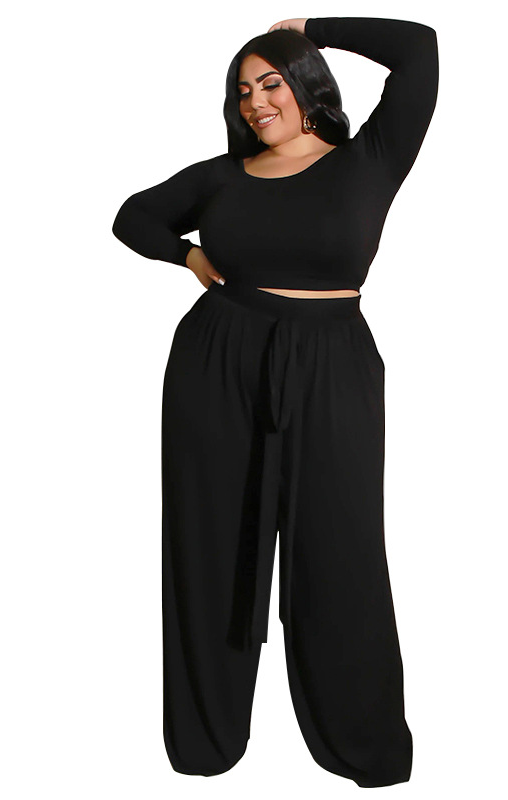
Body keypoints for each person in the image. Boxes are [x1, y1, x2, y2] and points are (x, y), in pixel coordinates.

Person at [112, 16, 438, 787]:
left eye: (271, 82)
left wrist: (312, 26)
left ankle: (361, 743)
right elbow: (132, 216)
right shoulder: (222, 177)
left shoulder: (371, 158)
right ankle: (207, 742)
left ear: (308, 85)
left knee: (341, 548)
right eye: (242, 91)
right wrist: (189, 256)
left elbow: (419, 48)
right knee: (212, 543)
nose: (255, 101)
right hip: (217, 360)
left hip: (333, 363)